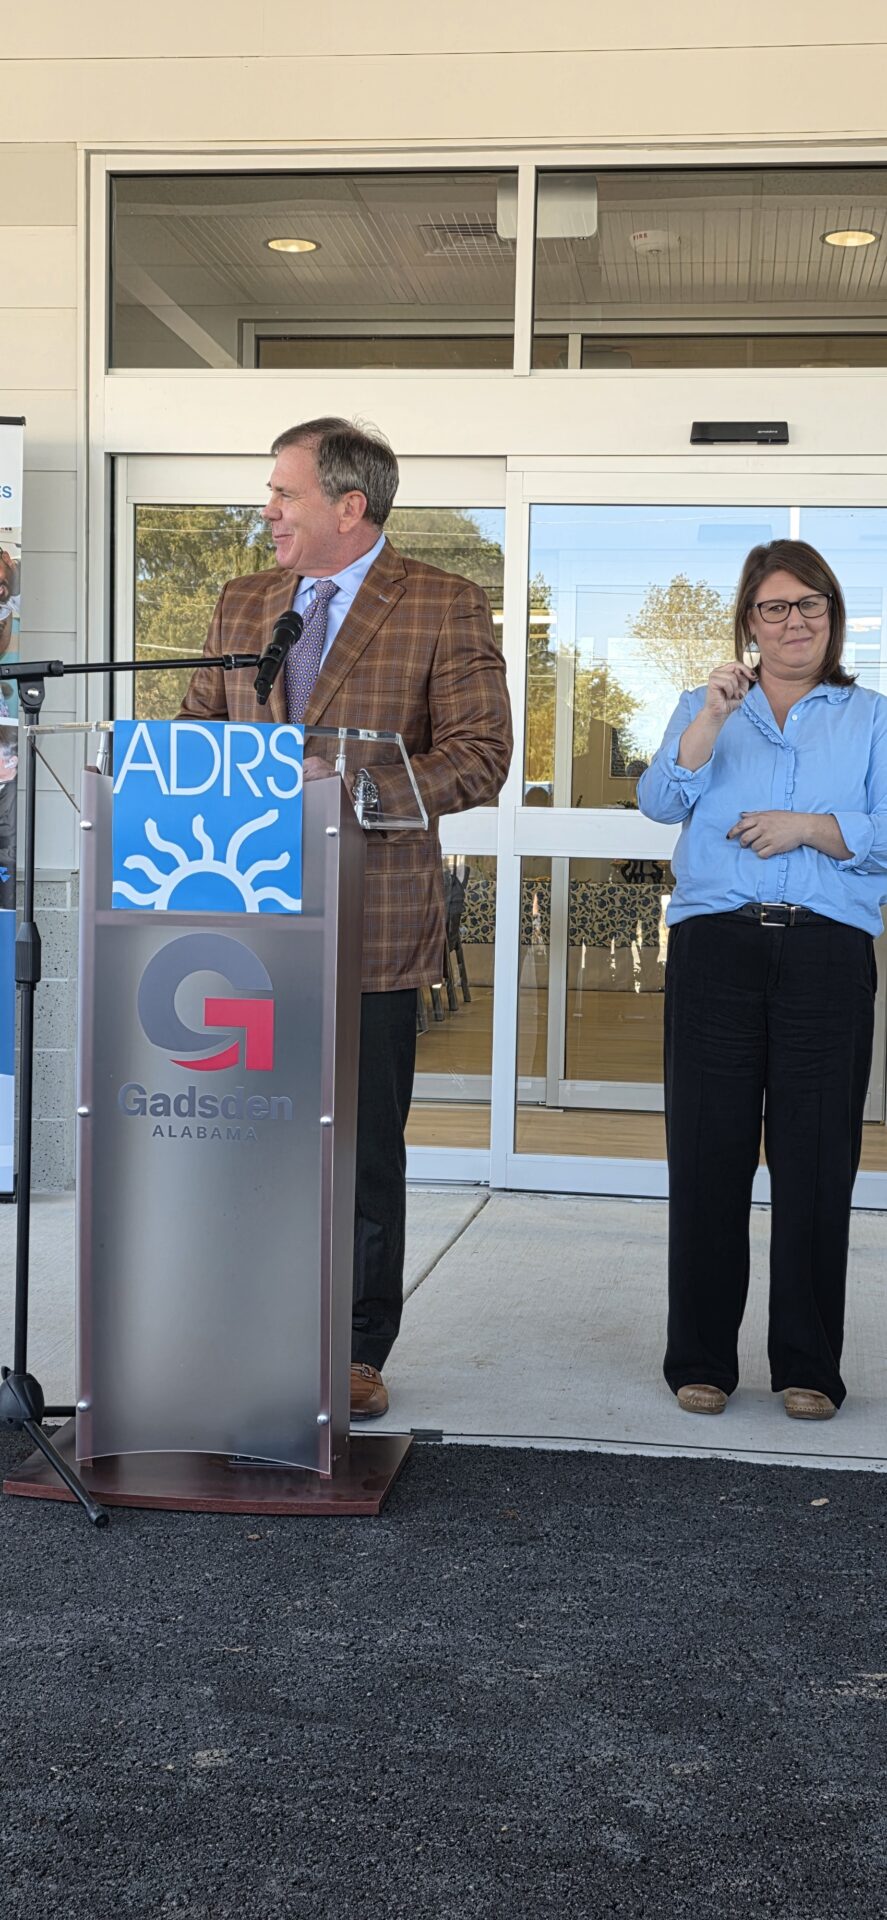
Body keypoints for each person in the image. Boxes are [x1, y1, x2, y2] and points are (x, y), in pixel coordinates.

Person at [179, 417, 512, 1419]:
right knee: (248, 1140)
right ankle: (245, 1325)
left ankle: (355, 1348)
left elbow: (480, 755)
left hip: (371, 923)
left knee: (361, 1151)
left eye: (284, 493)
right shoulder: (244, 601)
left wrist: (351, 786)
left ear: (349, 505)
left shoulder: (442, 603)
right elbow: (197, 730)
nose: (267, 511)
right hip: (241, 925)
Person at [637, 539, 887, 1422]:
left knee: (816, 1161)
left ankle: (807, 1365)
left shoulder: (870, 717)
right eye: (775, 607)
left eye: (810, 605)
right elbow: (659, 801)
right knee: (707, 1155)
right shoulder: (702, 706)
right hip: (716, 949)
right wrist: (708, 720)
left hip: (825, 953)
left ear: (832, 616)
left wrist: (809, 827)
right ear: (749, 620)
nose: (794, 622)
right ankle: (700, 1357)